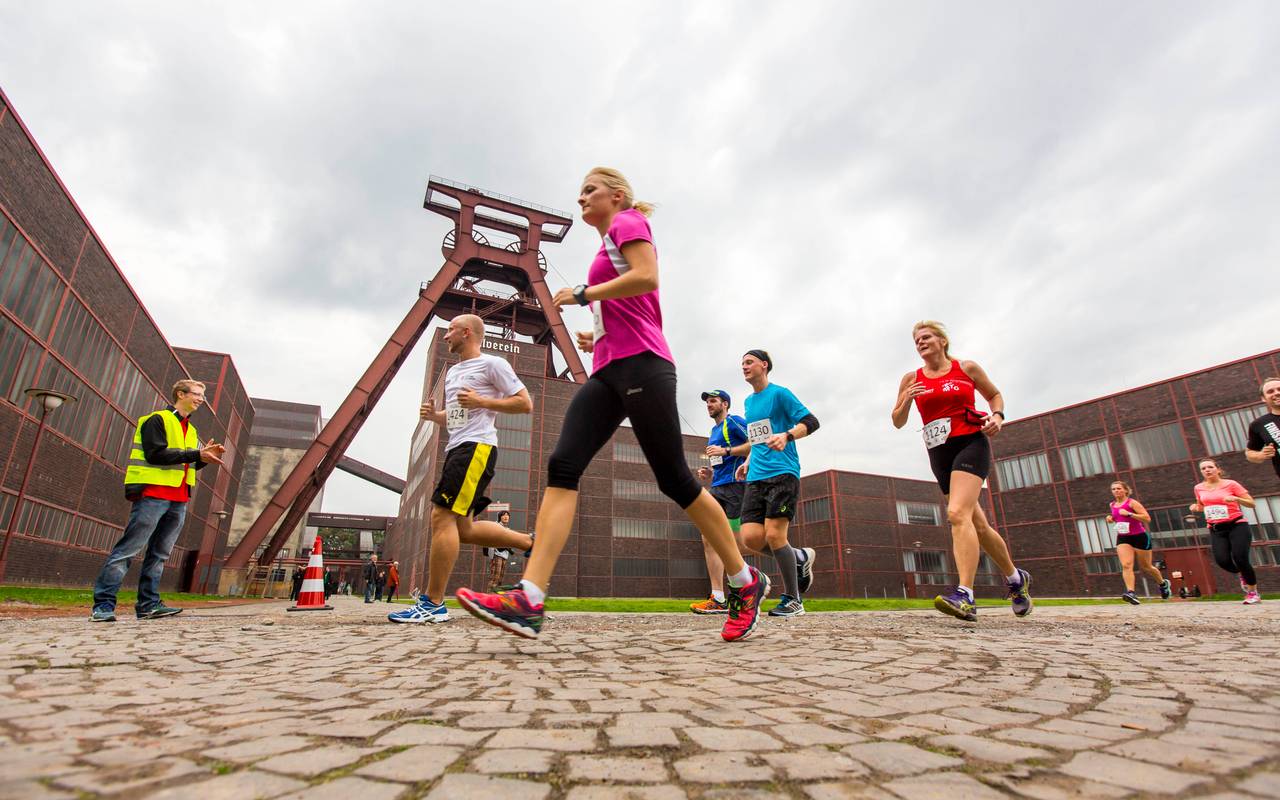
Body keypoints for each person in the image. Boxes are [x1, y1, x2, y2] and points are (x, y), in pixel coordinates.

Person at [456, 168, 770, 642]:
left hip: (645, 366)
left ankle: (744, 582)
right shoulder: (604, 248)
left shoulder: (626, 223)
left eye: (590, 190)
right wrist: (595, 332)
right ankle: (529, 598)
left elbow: (647, 278)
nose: (581, 197)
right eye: (579, 190)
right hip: (608, 371)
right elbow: (627, 307)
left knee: (675, 481)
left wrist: (584, 295)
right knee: (563, 464)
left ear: (617, 196)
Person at [389, 314, 535, 624]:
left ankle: (433, 603)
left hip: (477, 448)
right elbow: (458, 418)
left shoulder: (493, 365)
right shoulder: (456, 372)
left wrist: (482, 400)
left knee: (441, 516)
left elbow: (525, 404)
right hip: (457, 447)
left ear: (466, 333)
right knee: (463, 529)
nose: (445, 336)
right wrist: (436, 417)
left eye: (451, 330)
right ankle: (528, 542)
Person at [891, 321, 1032, 623]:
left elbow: (995, 395)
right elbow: (897, 421)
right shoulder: (910, 378)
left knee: (956, 514)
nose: (920, 343)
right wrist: (905, 400)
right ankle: (1016, 579)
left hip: (970, 442)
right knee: (977, 525)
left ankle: (965, 595)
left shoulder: (966, 368)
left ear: (942, 341)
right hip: (939, 452)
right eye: (916, 340)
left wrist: (998, 416)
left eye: (926, 337)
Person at [90, 380, 224, 622]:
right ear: (180, 394)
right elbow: (155, 454)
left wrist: (205, 457)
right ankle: (103, 606)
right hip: (153, 494)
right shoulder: (156, 419)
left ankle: (148, 605)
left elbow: (187, 462)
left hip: (179, 498)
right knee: (128, 550)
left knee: (160, 554)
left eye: (203, 396)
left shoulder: (191, 430)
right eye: (196, 394)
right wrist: (196, 453)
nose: (201, 399)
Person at [731, 352, 819, 617]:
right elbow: (758, 438)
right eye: (742, 364)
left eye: (749, 362)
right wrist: (747, 460)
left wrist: (788, 435)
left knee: (774, 535)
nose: (744, 367)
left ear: (764, 365)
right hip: (756, 475)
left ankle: (794, 599)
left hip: (783, 472)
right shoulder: (748, 401)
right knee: (751, 538)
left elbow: (811, 422)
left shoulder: (780, 394)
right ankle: (799, 558)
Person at [690, 389, 755, 614]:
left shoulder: (734, 421)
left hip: (736, 487)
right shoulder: (714, 430)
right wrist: (709, 474)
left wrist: (726, 450)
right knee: (709, 539)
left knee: (739, 544)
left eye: (713, 401)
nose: (709, 404)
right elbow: (721, 460)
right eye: (707, 401)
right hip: (718, 487)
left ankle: (789, 556)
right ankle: (717, 597)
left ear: (725, 404)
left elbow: (755, 443)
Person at [1190, 458, 1260, 604]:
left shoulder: (1231, 484)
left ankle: (1253, 592)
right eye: (1203, 468)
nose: (1207, 470)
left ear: (1218, 469)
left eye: (1210, 467)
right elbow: (1202, 506)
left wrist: (1235, 498)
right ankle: (1242, 573)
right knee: (1222, 561)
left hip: (1237, 525)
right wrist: (1196, 508)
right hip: (1216, 529)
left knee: (1240, 558)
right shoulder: (1198, 488)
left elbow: (1251, 503)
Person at [1106, 481, 1172, 604]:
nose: (1116, 491)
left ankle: (1163, 584)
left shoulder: (1132, 503)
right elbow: (1117, 518)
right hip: (1123, 538)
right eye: (1113, 489)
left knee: (1147, 567)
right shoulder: (1112, 504)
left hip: (1139, 537)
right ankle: (1131, 592)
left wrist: (1130, 514)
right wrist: (1110, 519)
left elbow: (1147, 518)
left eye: (1119, 488)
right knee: (1126, 565)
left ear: (1126, 490)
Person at [1245, 377, 1280, 480]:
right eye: (1270, 391)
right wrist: (1261, 455)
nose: (1276, 393)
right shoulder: (1259, 424)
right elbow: (1249, 453)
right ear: (1263, 398)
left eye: (1279, 389)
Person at [484, 511, 514, 591]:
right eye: (504, 515)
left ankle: (496, 597)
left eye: (507, 515)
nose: (506, 517)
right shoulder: (497, 526)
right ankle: (489, 596)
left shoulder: (507, 529)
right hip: (497, 555)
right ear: (500, 517)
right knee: (495, 577)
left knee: (500, 578)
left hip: (504, 556)